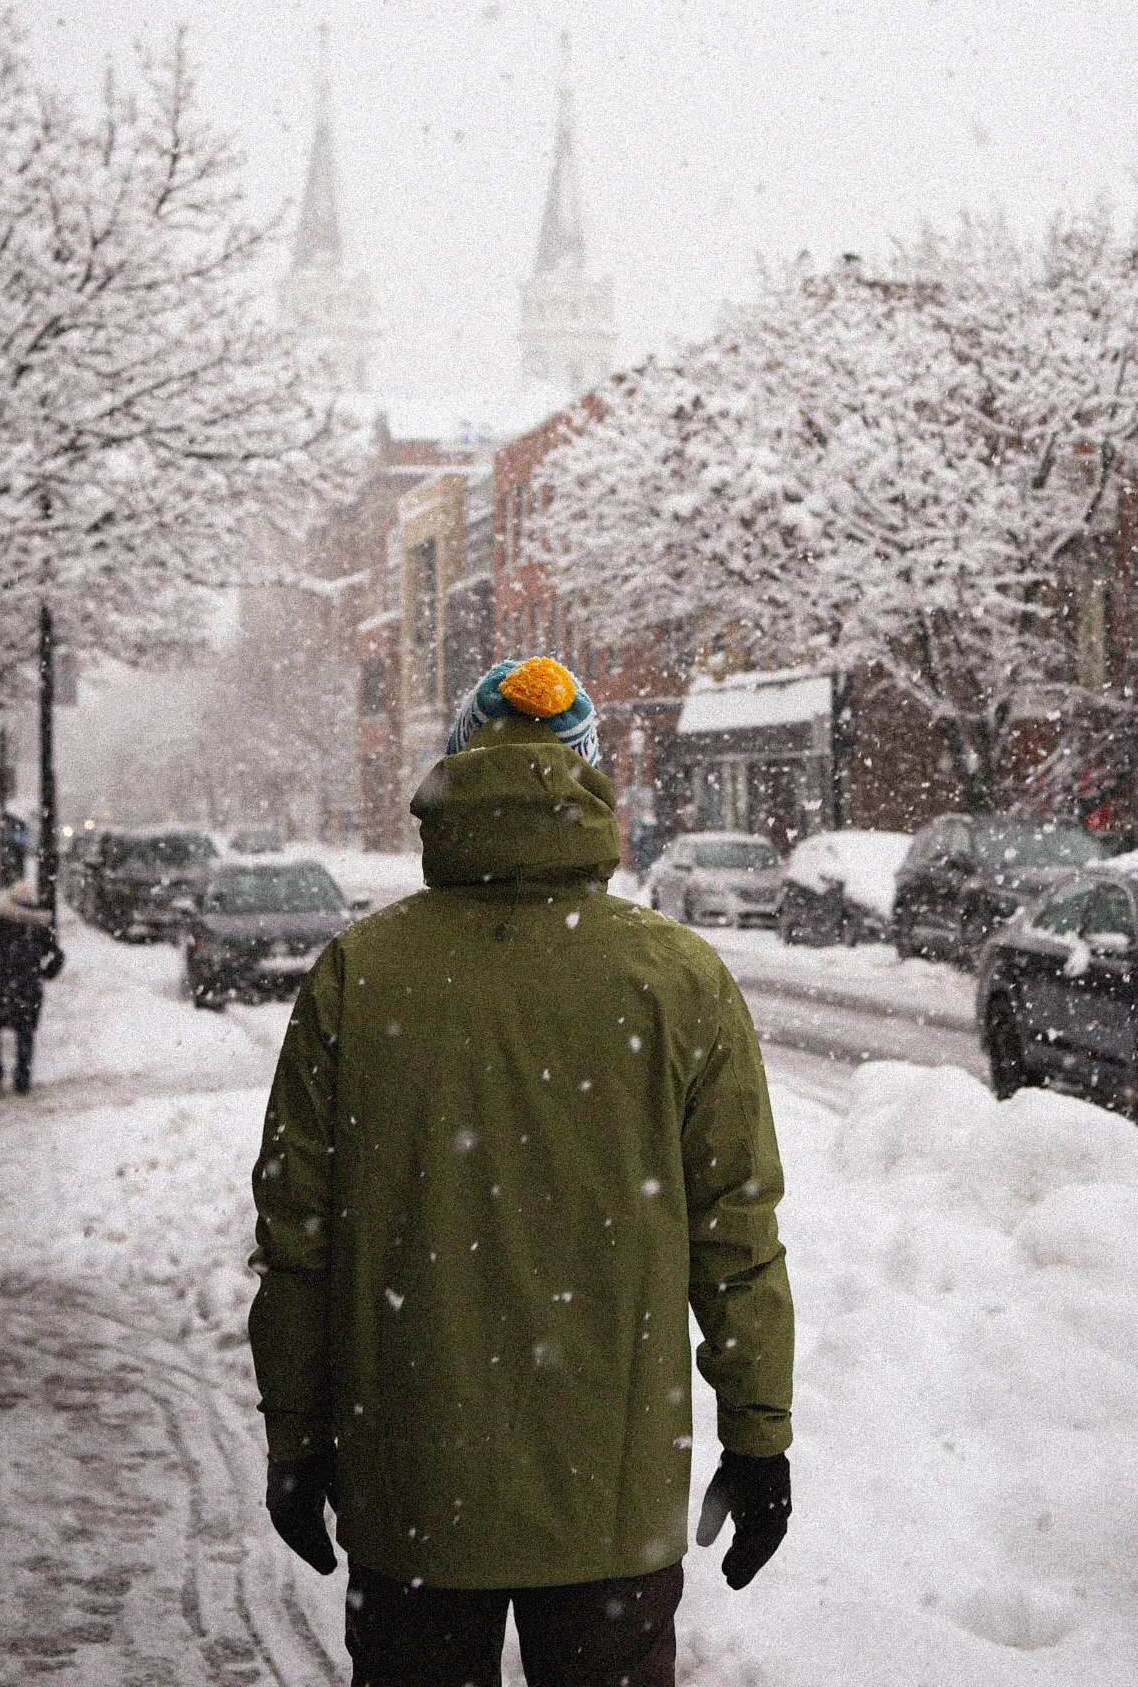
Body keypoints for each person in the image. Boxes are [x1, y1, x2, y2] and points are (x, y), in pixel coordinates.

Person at [249, 656, 794, 1687]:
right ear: (588, 785)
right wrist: (758, 1436)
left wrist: (296, 1436)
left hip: (411, 1487)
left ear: (458, 768)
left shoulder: (360, 977)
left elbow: (296, 1240)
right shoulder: (677, 979)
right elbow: (737, 1235)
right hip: (610, 1502)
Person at [0, 876, 64, 1093]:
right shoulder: (40, 927)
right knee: (25, 1033)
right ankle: (22, 1077)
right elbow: (57, 956)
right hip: (27, 988)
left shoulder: (0, 923)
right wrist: (44, 973)